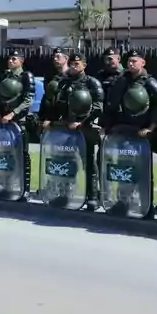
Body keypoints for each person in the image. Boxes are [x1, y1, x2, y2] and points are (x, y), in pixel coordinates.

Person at [46, 52, 106, 210]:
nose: (73, 66)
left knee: (89, 163)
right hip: (66, 128)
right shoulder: (63, 83)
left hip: (85, 129)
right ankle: (65, 194)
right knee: (65, 162)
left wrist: (82, 123)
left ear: (84, 65)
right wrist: (52, 121)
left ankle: (92, 197)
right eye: (71, 64)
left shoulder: (92, 83)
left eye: (77, 64)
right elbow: (55, 104)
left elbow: (98, 107)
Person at [0, 48, 36, 195]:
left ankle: (24, 189)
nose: (11, 61)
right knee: (3, 154)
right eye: (10, 58)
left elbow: (28, 100)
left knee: (22, 155)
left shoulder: (26, 76)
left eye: (14, 59)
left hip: (19, 121)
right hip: (2, 120)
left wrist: (13, 114)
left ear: (21, 61)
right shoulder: (4, 76)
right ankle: (5, 185)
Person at [101, 50, 157, 138]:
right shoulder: (122, 80)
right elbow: (112, 104)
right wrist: (106, 126)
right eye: (129, 61)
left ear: (143, 63)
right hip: (124, 125)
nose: (131, 64)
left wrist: (151, 128)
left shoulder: (150, 82)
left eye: (134, 61)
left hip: (143, 128)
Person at [38, 48, 69, 123]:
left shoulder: (71, 75)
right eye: (54, 57)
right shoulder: (50, 76)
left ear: (66, 58)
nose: (55, 59)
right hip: (50, 116)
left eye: (58, 57)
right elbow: (47, 96)